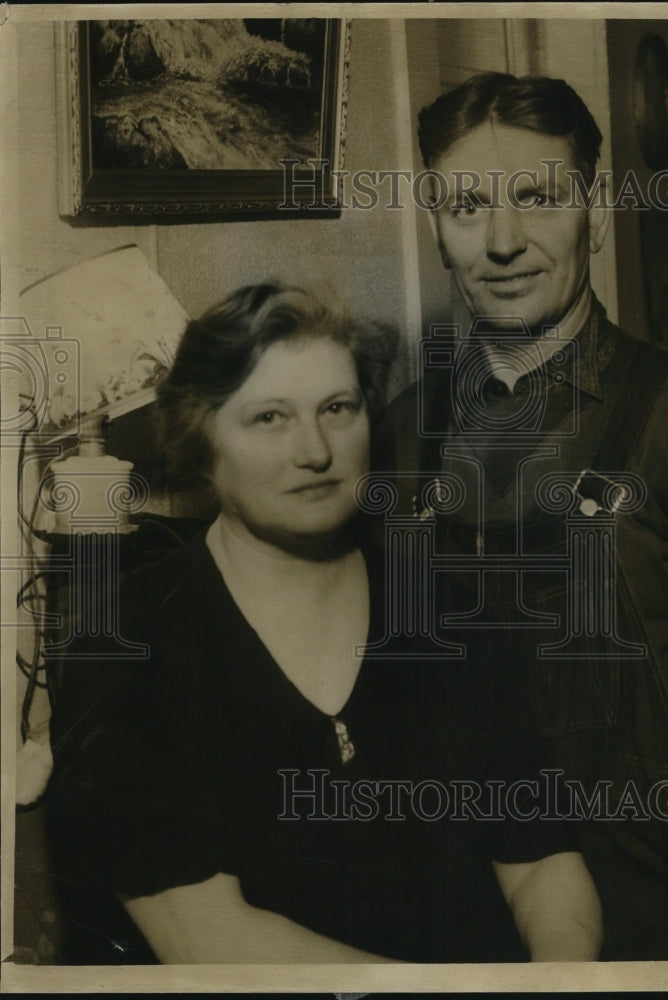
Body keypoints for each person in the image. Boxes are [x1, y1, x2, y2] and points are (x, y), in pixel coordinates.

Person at [44, 282, 603, 964]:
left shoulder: (456, 612)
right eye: (269, 418)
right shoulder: (123, 641)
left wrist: (558, 981)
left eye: (337, 408)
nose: (314, 450)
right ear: (200, 437)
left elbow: (542, 861)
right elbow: (206, 937)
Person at [373, 73, 668, 960]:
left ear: (595, 211)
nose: (503, 242)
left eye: (537, 199)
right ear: (436, 230)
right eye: (466, 208)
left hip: (655, 911)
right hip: (460, 902)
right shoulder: (398, 437)